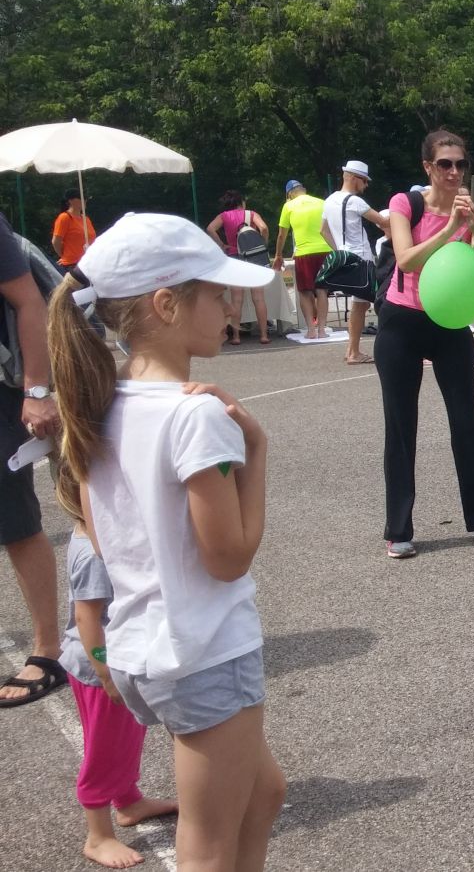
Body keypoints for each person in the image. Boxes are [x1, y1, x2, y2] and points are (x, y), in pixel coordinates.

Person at [48, 212, 287, 869]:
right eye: (216, 293)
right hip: (204, 649)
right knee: (207, 846)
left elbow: (101, 539)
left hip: (145, 647)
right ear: (166, 305)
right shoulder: (196, 412)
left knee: (264, 794)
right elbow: (229, 557)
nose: (230, 306)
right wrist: (256, 452)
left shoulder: (100, 401)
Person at [377, 130, 474, 558]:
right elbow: (406, 259)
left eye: (461, 164)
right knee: (401, 425)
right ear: (428, 167)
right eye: (445, 164)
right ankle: (399, 529)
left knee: (466, 420)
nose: (455, 172)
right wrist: (452, 227)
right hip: (402, 321)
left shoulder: (470, 207)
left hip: (450, 322)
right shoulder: (406, 203)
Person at [59, 525, 177, 868]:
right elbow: (86, 616)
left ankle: (128, 801)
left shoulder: (93, 536)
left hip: (113, 662)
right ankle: (98, 836)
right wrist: (105, 673)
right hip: (102, 669)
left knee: (124, 739)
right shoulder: (93, 554)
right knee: (106, 749)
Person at [0, 209, 66, 709]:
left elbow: (28, 301)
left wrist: (37, 391)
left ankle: (49, 650)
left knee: (15, 520)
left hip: (8, 386)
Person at [320, 160, 389, 364]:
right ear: (352, 177)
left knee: (359, 303)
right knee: (363, 304)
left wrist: (340, 251)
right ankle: (354, 352)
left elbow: (323, 230)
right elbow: (383, 221)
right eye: (364, 180)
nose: (366, 185)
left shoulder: (329, 201)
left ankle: (351, 349)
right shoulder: (355, 202)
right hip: (361, 258)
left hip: (345, 258)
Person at [205, 191, 272, 345]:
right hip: (253, 257)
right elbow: (264, 227)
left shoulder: (224, 216)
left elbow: (210, 228)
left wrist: (222, 245)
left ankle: (236, 336)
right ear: (241, 202)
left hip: (234, 257)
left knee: (236, 299)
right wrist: (262, 244)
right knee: (259, 298)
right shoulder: (251, 214)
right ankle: (263, 335)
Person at [274, 180, 334, 340]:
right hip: (325, 249)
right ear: (304, 190)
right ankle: (322, 329)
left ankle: (311, 330)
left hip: (304, 252)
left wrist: (278, 255)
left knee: (305, 291)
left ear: (289, 194)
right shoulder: (321, 203)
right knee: (322, 291)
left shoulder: (288, 206)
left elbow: (281, 235)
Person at [52, 188, 97, 273]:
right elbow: (56, 241)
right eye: (81, 198)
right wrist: (64, 256)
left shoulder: (86, 219)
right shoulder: (64, 217)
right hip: (73, 265)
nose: (85, 200)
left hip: (89, 262)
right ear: (71, 201)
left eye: (85, 199)